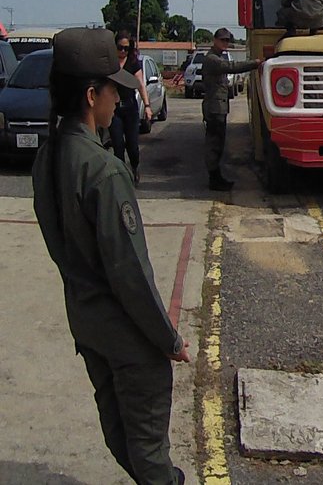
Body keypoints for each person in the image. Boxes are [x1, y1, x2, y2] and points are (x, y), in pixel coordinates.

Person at [32, 27, 189, 485]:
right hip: (128, 336)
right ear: (88, 95)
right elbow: (131, 273)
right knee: (150, 453)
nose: (118, 102)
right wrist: (168, 337)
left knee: (120, 437)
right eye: (111, 91)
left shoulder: (48, 156)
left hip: (87, 325)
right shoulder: (104, 170)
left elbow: (57, 244)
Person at [202, 28, 260, 190]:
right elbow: (232, 66)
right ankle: (214, 178)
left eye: (227, 40)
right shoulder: (212, 59)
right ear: (215, 40)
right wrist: (254, 63)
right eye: (222, 40)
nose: (225, 43)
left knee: (218, 143)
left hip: (218, 106)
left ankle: (216, 176)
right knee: (214, 143)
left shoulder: (217, 56)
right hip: (214, 107)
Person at [108, 31, 153, 185]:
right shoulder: (110, 64)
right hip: (114, 110)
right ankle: (121, 175)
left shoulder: (133, 63)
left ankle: (134, 167)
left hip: (130, 108)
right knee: (117, 144)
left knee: (132, 145)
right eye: (120, 48)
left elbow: (141, 85)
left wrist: (147, 106)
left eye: (126, 48)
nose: (122, 51)